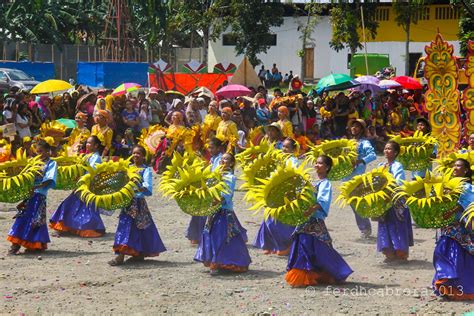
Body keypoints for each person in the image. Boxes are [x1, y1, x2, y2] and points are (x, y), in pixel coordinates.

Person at [286, 154, 353, 287]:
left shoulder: (325, 184)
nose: (317, 165)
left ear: (327, 167)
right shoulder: (312, 182)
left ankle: (313, 275)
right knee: (305, 246)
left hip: (314, 220)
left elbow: (322, 201)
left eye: (320, 163)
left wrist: (309, 211)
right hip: (304, 220)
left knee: (315, 248)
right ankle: (308, 274)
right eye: (316, 163)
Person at [109, 146, 167, 265]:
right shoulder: (127, 168)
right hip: (127, 202)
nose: (136, 155)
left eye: (139, 153)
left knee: (136, 228)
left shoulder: (145, 170)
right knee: (126, 227)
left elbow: (148, 188)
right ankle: (134, 253)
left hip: (138, 204)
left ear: (143, 156)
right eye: (134, 153)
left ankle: (122, 256)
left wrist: (137, 186)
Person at [194, 153, 251, 274]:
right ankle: (215, 261)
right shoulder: (214, 175)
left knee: (222, 235)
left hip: (224, 210)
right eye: (222, 158)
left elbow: (228, 194)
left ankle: (221, 262)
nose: (223, 160)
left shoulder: (230, 177)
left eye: (226, 159)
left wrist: (217, 199)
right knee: (210, 233)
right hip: (213, 210)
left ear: (231, 163)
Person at [432, 158, 474, 300]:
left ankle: (451, 285)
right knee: (449, 252)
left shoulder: (467, 187)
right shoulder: (450, 184)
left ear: (466, 170)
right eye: (454, 166)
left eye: (458, 166)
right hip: (448, 224)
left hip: (459, 225)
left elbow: (467, 202)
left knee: (446, 250)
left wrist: (451, 211)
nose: (455, 168)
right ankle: (448, 285)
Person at [7, 138, 57, 254]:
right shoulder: (33, 162)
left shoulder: (51, 163)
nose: (39, 154)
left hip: (39, 195)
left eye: (42, 151)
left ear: (48, 151)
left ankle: (35, 244)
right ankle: (16, 244)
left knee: (36, 219)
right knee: (22, 216)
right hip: (29, 194)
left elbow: (49, 179)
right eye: (38, 151)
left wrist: (36, 187)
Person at [50, 136, 106, 237]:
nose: (87, 145)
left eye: (90, 143)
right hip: (81, 184)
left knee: (78, 206)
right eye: (87, 143)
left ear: (96, 145)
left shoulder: (96, 157)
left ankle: (76, 228)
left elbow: (91, 172)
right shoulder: (87, 156)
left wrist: (81, 180)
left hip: (87, 186)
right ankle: (66, 227)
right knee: (74, 205)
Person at [253, 138, 297, 256]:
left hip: (285, 192)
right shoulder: (279, 159)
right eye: (283, 146)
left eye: (287, 147)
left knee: (278, 218)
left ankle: (286, 244)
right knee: (269, 216)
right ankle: (270, 244)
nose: (284, 149)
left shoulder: (293, 161)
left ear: (293, 149)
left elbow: (292, 176)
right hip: (275, 190)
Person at [376, 140, 414, 262]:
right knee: (385, 224)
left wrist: (389, 191)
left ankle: (400, 253)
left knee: (397, 225)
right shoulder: (381, 166)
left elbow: (399, 182)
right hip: (384, 200)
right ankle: (389, 253)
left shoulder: (397, 166)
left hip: (395, 200)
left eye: (389, 149)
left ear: (396, 152)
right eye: (385, 148)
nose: (386, 151)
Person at [186, 138, 223, 245]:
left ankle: (202, 236)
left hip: (214, 189)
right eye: (209, 148)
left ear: (219, 148)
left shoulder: (220, 160)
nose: (210, 150)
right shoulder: (213, 159)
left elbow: (216, 175)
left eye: (212, 147)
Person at [344, 119, 376, 238]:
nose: (354, 128)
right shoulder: (347, 142)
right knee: (354, 204)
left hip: (358, 178)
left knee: (358, 203)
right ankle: (365, 227)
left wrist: (361, 160)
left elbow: (372, 155)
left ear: (362, 130)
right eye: (353, 126)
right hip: (346, 179)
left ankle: (365, 228)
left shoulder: (364, 143)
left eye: (357, 127)